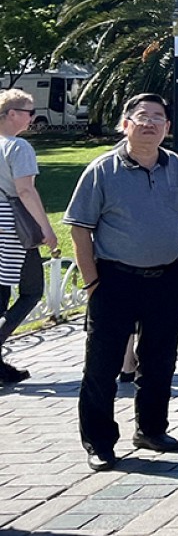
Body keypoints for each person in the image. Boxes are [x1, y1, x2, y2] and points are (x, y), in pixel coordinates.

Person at [64, 93, 178, 471]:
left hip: (166, 279)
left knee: (160, 361)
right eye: (142, 116)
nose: (150, 123)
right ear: (126, 124)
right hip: (114, 281)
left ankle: (151, 429)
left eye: (158, 117)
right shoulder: (102, 170)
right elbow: (79, 229)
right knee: (102, 367)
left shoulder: (175, 166)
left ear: (167, 127)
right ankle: (99, 443)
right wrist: (92, 282)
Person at [0, 88, 57, 383]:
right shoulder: (18, 147)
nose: (32, 118)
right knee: (31, 289)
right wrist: (46, 228)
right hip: (13, 225)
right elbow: (25, 190)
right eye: (28, 112)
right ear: (12, 114)